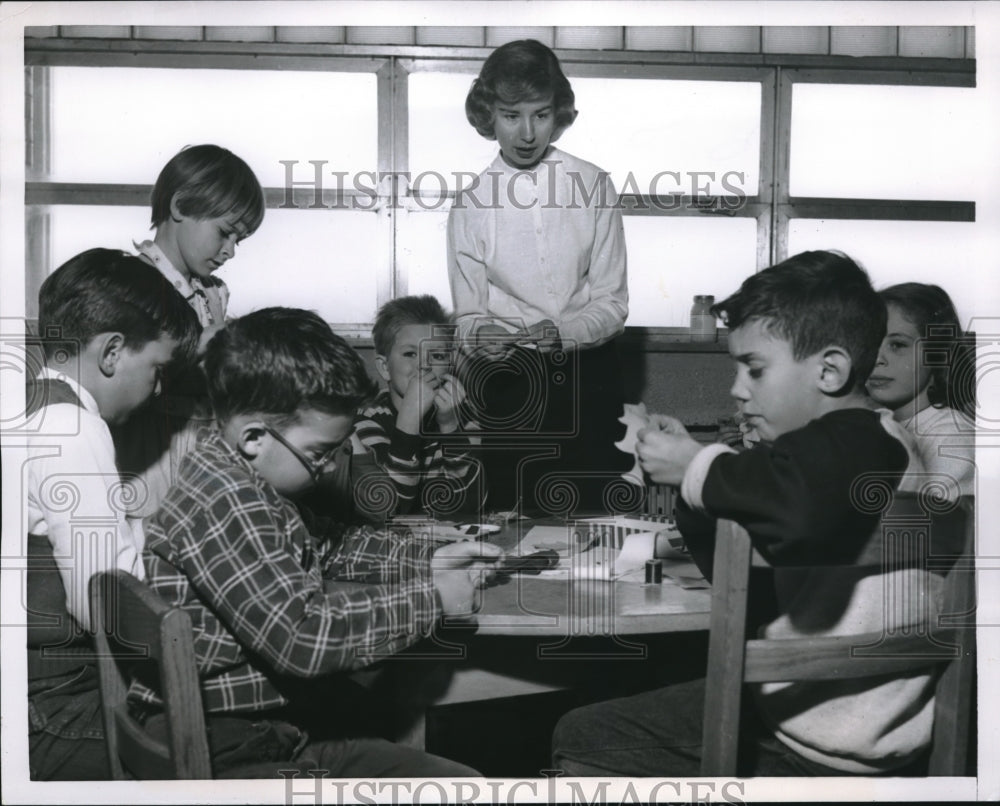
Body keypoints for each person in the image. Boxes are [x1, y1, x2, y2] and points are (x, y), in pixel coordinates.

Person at [552, 250, 943, 777]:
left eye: (754, 369)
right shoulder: (856, 447)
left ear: (830, 370)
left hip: (815, 737)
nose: (737, 388)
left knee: (580, 732)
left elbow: (799, 516)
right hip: (852, 724)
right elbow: (741, 578)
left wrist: (698, 466)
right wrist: (691, 485)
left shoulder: (864, 441)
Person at [129, 307, 502, 778]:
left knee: (460, 781)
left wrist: (432, 556)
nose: (327, 468)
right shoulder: (228, 502)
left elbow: (335, 546)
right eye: (318, 453)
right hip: (230, 747)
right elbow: (302, 639)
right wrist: (434, 598)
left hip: (268, 730)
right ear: (254, 438)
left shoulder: (252, 480)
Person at [25, 248, 199, 780]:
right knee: (244, 738)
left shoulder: (31, 406)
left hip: (32, 687)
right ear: (112, 352)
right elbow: (106, 604)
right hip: (50, 702)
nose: (159, 388)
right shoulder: (73, 428)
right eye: (157, 369)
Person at [447, 39, 631, 514]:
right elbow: (468, 317)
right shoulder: (469, 205)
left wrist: (563, 333)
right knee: (515, 514)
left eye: (541, 115)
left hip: (589, 378)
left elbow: (612, 303)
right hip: (510, 384)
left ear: (559, 113)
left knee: (593, 513)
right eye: (511, 116)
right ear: (489, 115)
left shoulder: (594, 186)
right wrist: (480, 332)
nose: (527, 133)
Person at [113, 143, 266, 519]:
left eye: (239, 240)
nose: (231, 251)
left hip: (199, 446)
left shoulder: (214, 294)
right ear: (180, 206)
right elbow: (120, 382)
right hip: (147, 452)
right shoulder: (132, 285)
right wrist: (198, 348)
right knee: (148, 536)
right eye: (225, 233)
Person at [348, 295, 485, 521]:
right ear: (384, 368)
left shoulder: (463, 414)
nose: (424, 365)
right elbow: (388, 512)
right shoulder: (367, 420)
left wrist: (450, 426)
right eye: (410, 354)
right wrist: (409, 421)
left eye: (437, 355)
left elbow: (471, 507)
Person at [867, 282, 975, 498]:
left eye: (897, 345)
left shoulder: (951, 437)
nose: (877, 359)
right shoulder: (873, 423)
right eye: (870, 343)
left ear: (939, 355)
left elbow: (937, 524)